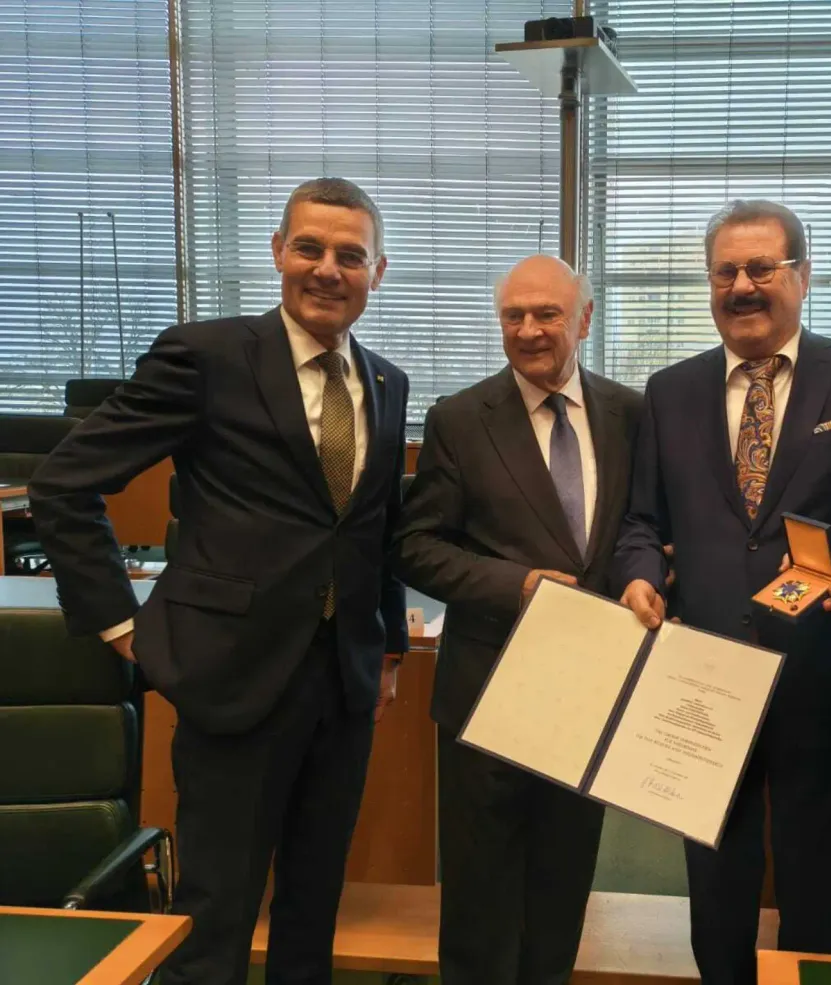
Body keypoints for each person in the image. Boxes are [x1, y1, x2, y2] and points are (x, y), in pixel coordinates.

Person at [29, 177, 410, 985]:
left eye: (351, 255)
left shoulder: (385, 382)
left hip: (342, 690)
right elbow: (65, 484)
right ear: (278, 251)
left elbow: (372, 527)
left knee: (312, 910)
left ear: (379, 271)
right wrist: (124, 625)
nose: (327, 269)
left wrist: (388, 650)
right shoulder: (207, 357)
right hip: (230, 679)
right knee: (216, 922)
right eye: (309, 247)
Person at [613, 200, 831, 985]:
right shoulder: (669, 390)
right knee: (715, 882)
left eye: (762, 268)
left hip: (820, 674)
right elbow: (642, 520)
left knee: (816, 877)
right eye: (726, 271)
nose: (743, 286)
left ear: (802, 276)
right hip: (702, 676)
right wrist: (640, 573)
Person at [391, 254, 643, 985]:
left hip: (589, 696)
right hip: (488, 693)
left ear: (585, 319)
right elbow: (415, 545)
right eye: (514, 316)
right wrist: (515, 583)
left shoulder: (631, 414)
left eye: (548, 314)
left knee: (562, 890)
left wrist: (643, 578)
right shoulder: (460, 419)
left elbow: (643, 531)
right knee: (479, 899)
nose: (529, 330)